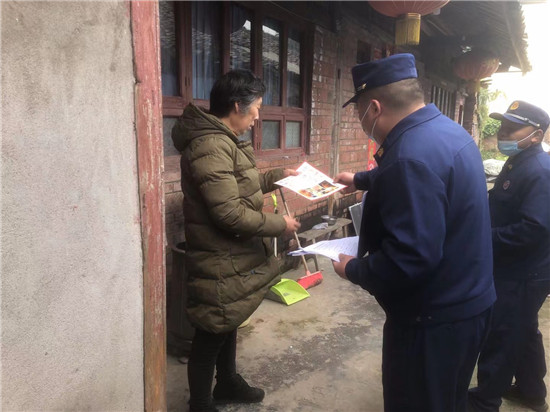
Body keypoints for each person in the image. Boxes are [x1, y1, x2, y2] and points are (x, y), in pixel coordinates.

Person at [332, 53, 495, 412]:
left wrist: (354, 269)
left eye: (358, 110)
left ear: (374, 108)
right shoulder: (447, 131)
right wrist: (361, 179)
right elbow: (425, 173)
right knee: (448, 401)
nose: (359, 118)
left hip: (431, 322)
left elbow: (409, 259)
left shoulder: (408, 155)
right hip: (468, 303)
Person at [171, 69, 301, 412]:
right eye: (256, 108)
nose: (257, 117)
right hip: (218, 256)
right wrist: (280, 224)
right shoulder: (210, 145)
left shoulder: (222, 140)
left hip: (231, 254)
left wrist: (278, 177)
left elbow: (238, 184)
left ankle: (227, 382)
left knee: (228, 319)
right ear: (236, 106)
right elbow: (229, 212)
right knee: (211, 332)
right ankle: (200, 404)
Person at [468, 102, 550, 412]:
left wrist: (481, 238)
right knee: (523, 329)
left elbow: (533, 229)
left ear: (536, 135)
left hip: (524, 272)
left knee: (503, 333)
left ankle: (484, 401)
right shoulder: (519, 162)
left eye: (512, 128)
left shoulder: (540, 171)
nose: (503, 133)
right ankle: (532, 392)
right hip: (518, 267)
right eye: (503, 126)